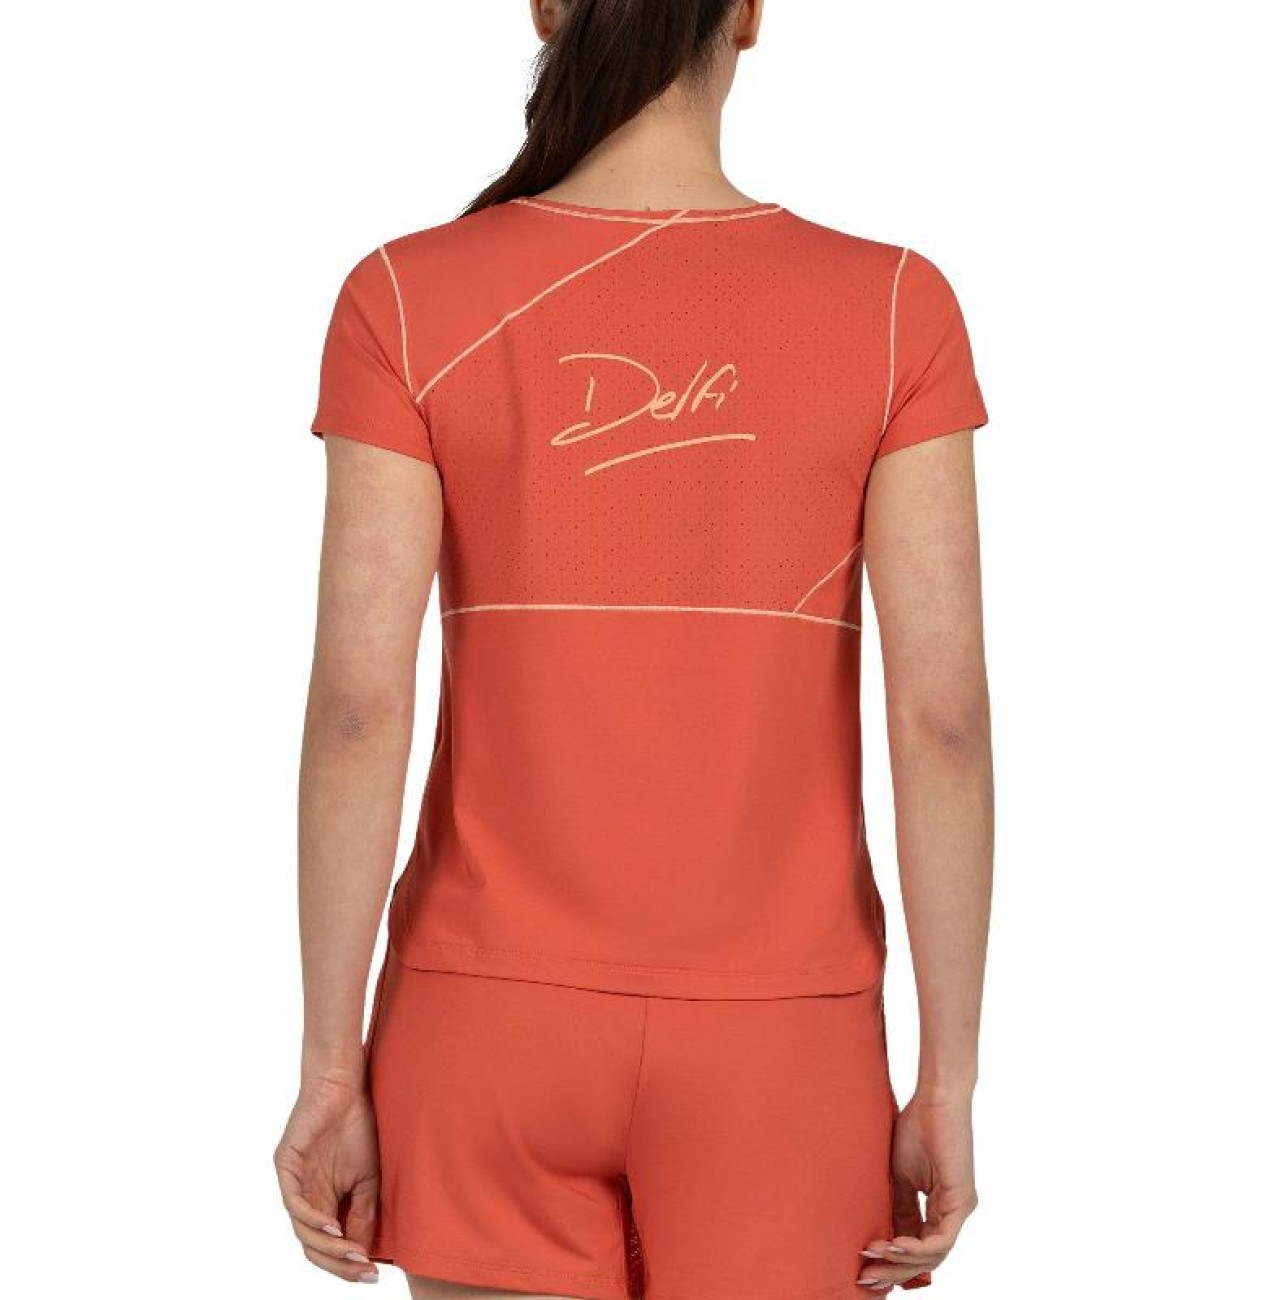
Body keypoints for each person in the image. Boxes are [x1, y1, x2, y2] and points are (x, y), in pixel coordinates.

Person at [273, 1, 994, 1296]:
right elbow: (943, 718)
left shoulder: (406, 296)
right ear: (749, 14)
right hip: (781, 1049)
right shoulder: (896, 308)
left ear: (546, 6)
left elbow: (357, 707)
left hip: (483, 1025)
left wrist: (333, 1067)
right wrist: (945, 1078)